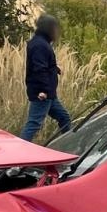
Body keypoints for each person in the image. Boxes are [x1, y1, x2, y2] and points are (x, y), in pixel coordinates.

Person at [19, 13, 70, 141]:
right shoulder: (40, 45)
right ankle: (18, 152)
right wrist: (43, 91)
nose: (56, 31)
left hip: (49, 93)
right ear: (48, 29)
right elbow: (39, 70)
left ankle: (69, 145)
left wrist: (55, 68)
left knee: (64, 118)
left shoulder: (40, 43)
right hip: (43, 93)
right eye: (54, 28)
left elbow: (43, 65)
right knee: (34, 124)